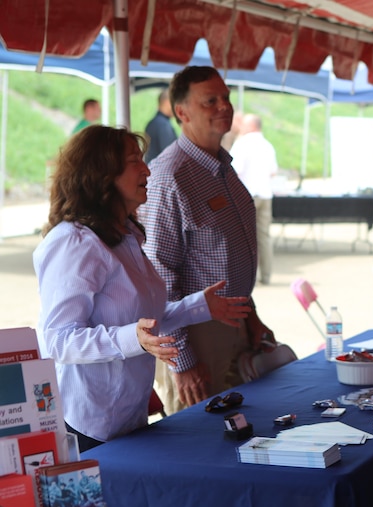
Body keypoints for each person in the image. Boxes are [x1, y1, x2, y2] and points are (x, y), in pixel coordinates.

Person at [33, 126, 251, 452]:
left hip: (128, 419)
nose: (146, 169)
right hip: (88, 426)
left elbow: (142, 321)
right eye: (134, 161)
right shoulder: (74, 242)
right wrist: (131, 339)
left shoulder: (126, 235)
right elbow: (57, 340)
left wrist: (199, 306)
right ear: (102, 174)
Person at [139, 66, 277, 414]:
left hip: (235, 324)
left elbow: (229, 259)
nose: (224, 107)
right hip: (196, 334)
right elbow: (159, 278)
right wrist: (182, 361)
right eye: (210, 101)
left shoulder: (222, 167)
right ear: (182, 112)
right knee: (201, 447)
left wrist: (251, 316)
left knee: (243, 435)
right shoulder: (169, 176)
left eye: (226, 98)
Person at [230, 113, 278, 285]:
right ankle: (266, 276)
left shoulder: (242, 144)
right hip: (265, 194)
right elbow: (273, 171)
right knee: (264, 237)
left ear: (251, 126)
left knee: (243, 237)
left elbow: (234, 170)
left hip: (246, 195)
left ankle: (247, 277)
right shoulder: (268, 146)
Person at [143, 87, 178, 163]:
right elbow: (172, 154)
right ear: (167, 103)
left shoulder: (153, 123)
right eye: (175, 102)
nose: (177, 107)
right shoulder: (163, 125)